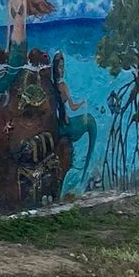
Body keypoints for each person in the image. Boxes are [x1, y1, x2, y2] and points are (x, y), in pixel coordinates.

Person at [52, 53, 101, 194]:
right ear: (56, 69)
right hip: (66, 126)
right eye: (60, 67)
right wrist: (83, 102)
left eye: (63, 67)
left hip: (60, 125)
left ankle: (87, 169)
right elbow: (72, 107)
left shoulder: (51, 86)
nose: (62, 70)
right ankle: (88, 167)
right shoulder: (62, 86)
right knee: (91, 121)